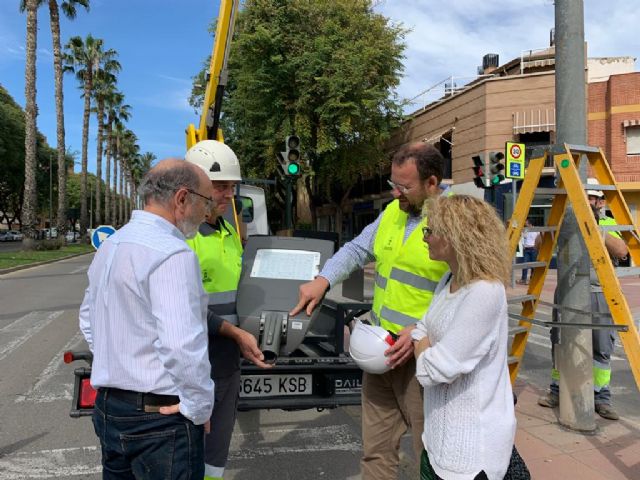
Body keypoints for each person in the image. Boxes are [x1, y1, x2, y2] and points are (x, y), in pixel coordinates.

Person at [291, 142, 450, 479]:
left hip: (422, 360)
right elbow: (357, 249)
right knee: (376, 454)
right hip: (380, 354)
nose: (396, 194)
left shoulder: (452, 223)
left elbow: (467, 293)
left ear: (432, 183)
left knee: (431, 457)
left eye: (404, 186)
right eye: (393, 184)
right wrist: (323, 280)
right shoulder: (392, 213)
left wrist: (423, 330)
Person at [79, 159, 216, 479]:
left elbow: (87, 317)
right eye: (206, 201)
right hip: (160, 418)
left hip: (110, 409)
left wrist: (119, 363)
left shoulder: (112, 245)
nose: (207, 213)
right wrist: (199, 408)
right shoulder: (172, 252)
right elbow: (182, 345)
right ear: (182, 198)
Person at [414, 195, 518, 479]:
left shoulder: (484, 292)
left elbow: (436, 370)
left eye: (430, 231)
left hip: (469, 457)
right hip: (436, 443)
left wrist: (422, 347)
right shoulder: (447, 281)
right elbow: (420, 327)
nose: (425, 238)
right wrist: (423, 343)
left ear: (455, 237)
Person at [185, 140, 271, 480]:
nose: (228, 194)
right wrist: (234, 331)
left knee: (216, 453)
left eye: (231, 187)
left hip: (226, 362)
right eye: (221, 186)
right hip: (191, 364)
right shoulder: (183, 237)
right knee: (187, 450)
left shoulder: (230, 233)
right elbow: (182, 308)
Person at [538, 178, 628, 420]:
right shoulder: (566, 221)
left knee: (601, 347)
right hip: (567, 292)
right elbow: (539, 245)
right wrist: (554, 224)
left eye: (592, 197)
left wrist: (595, 228)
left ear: (600, 201)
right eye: (585, 196)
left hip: (598, 293)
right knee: (560, 342)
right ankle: (556, 390)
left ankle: (601, 397)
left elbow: (621, 251)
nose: (588, 201)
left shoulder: (608, 222)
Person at [517, 218, 540, 285]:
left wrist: (537, 246)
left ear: (530, 223)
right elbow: (522, 237)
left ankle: (532, 280)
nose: (525, 223)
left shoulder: (536, 230)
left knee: (533, 266)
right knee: (524, 264)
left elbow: (539, 239)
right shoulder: (525, 230)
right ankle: (523, 279)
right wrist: (523, 245)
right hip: (526, 249)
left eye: (526, 222)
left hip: (533, 249)